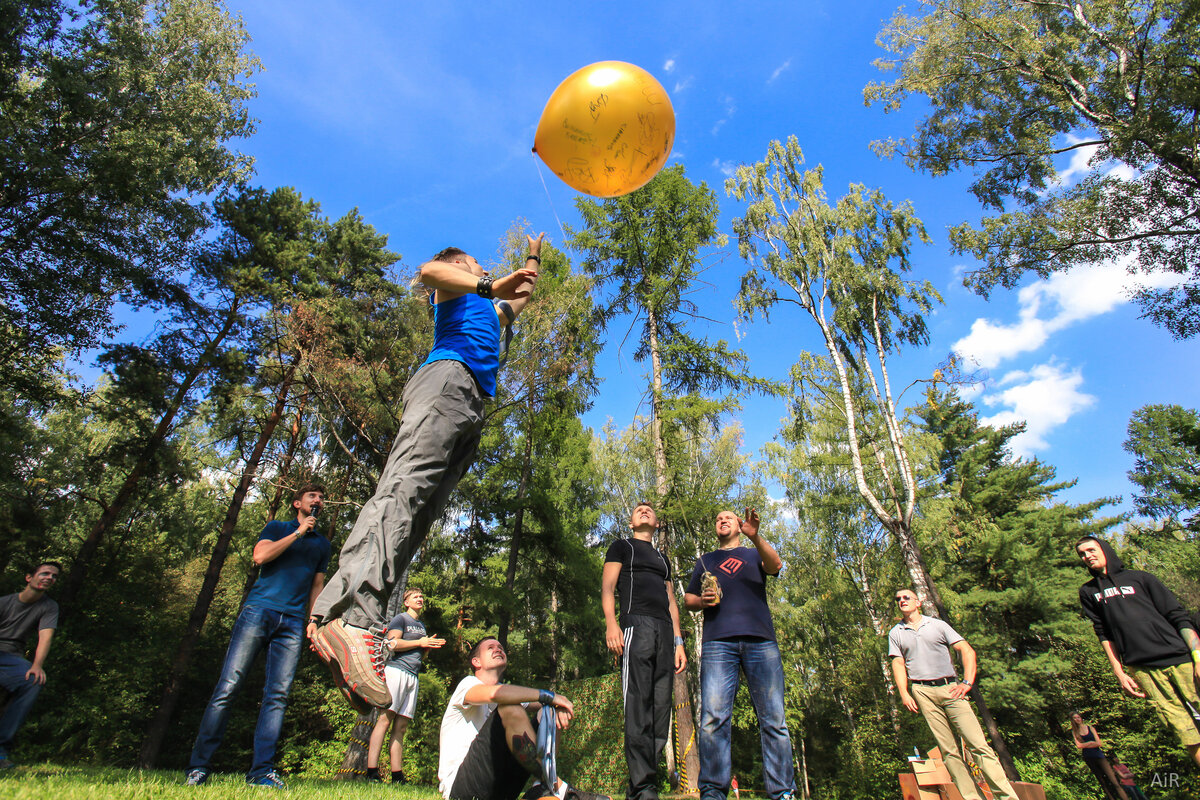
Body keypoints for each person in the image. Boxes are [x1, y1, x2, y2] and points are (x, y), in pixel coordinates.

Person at [311, 237, 543, 708]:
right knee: (401, 493)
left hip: (471, 403)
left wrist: (532, 262)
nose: (483, 267)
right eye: (476, 261)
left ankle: (352, 624)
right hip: (446, 381)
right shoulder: (455, 289)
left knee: (416, 518)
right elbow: (428, 272)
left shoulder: (488, 309)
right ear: (461, 265)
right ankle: (351, 621)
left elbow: (517, 300)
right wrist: (487, 280)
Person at [185, 484, 331, 789]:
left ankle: (261, 772)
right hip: (258, 612)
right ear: (297, 503)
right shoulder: (278, 527)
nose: (318, 501)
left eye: (321, 498)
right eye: (312, 497)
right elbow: (260, 557)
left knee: (277, 696)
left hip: (291, 623)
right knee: (229, 686)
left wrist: (314, 621)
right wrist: (297, 533)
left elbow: (317, 586)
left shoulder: (322, 544)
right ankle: (199, 767)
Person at [684, 508, 796, 800]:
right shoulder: (706, 560)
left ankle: (783, 791)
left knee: (773, 719)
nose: (721, 521)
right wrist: (703, 601)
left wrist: (755, 536)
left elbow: (774, 566)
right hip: (718, 643)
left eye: (728, 518)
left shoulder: (752, 553)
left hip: (761, 642)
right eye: (717, 518)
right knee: (713, 719)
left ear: (739, 525)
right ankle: (712, 792)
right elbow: (688, 599)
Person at [1076, 535, 1200, 768]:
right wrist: (1119, 672)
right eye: (1082, 554)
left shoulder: (1141, 578)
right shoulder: (1088, 592)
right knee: (1184, 730)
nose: (1087, 556)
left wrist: (1198, 657)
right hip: (1143, 668)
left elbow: (1178, 617)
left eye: (1091, 550)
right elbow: (1104, 634)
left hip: (1180, 659)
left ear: (1104, 549)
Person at [437, 636, 609, 800]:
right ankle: (557, 786)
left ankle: (542, 787)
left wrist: (556, 705)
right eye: (490, 648)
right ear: (476, 662)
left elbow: (539, 703)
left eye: (500, 648)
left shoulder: (505, 690)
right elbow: (495, 695)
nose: (498, 649)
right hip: (462, 788)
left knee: (549, 710)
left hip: (502, 787)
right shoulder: (467, 684)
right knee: (510, 705)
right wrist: (548, 695)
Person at [888, 589, 1019, 800]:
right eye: (898, 599)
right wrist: (904, 693)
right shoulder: (896, 632)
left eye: (906, 597)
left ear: (918, 602)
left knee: (978, 745)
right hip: (922, 691)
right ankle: (972, 797)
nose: (901, 601)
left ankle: (1006, 797)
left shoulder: (937, 625)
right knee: (948, 751)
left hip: (951, 688)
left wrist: (967, 682)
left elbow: (966, 650)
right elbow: (898, 662)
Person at [601, 502, 687, 800]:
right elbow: (608, 588)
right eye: (639, 510)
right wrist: (612, 625)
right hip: (635, 626)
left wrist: (678, 641)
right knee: (638, 706)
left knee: (660, 708)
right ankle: (644, 786)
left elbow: (671, 600)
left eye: (650, 510)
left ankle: (640, 787)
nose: (645, 511)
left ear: (658, 523)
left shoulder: (663, 559)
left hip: (664, 630)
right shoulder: (622, 547)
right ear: (631, 521)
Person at [367, 587, 445, 784]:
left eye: (421, 596)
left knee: (401, 726)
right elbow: (392, 644)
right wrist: (420, 642)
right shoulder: (401, 619)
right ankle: (372, 771)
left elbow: (419, 651)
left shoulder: (421, 625)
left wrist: (427, 646)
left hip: (413, 675)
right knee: (385, 719)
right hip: (396, 671)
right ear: (406, 602)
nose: (420, 598)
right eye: (415, 596)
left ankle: (397, 775)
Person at [0, 561, 60, 770]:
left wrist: (37, 666)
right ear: (29, 578)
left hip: (11, 658)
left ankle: (0, 750)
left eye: (53, 576)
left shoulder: (49, 606)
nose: (49, 578)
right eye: (44, 573)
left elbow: (45, 637)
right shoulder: (4, 603)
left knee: (33, 681)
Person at [1069, 711, 1129, 800]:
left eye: (1078, 717)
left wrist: (1087, 744)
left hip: (1099, 756)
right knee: (1103, 783)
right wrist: (1090, 742)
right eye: (1075, 718)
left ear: (1081, 718)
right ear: (1073, 720)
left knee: (1114, 781)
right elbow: (1079, 746)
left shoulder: (1090, 728)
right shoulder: (1075, 732)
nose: (1077, 719)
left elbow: (1098, 743)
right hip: (1088, 757)